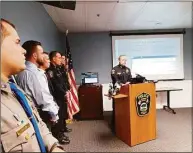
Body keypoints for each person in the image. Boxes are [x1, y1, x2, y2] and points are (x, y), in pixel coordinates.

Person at [1, 18, 64, 152]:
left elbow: (35, 123)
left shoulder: (14, 88)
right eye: (17, 42)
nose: (23, 51)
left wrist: (54, 147)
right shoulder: (31, 74)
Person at [46, 51, 71, 144]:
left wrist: (66, 90)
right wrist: (64, 93)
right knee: (58, 117)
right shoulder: (50, 71)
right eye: (59, 57)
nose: (61, 59)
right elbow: (55, 85)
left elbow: (62, 82)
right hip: (57, 97)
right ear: (53, 58)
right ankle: (58, 135)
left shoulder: (58, 69)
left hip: (61, 95)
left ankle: (61, 131)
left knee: (62, 115)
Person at [38, 52, 59, 130]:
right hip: (44, 108)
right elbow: (44, 95)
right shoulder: (38, 75)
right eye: (47, 59)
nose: (49, 61)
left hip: (51, 102)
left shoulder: (44, 73)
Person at [110, 55, 132, 133]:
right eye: (123, 60)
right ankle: (115, 124)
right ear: (119, 60)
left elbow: (130, 78)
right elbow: (115, 79)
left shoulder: (128, 69)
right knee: (116, 107)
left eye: (125, 60)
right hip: (118, 90)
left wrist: (128, 82)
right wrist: (121, 84)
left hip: (127, 90)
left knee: (125, 107)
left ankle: (125, 123)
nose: (124, 61)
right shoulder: (114, 69)